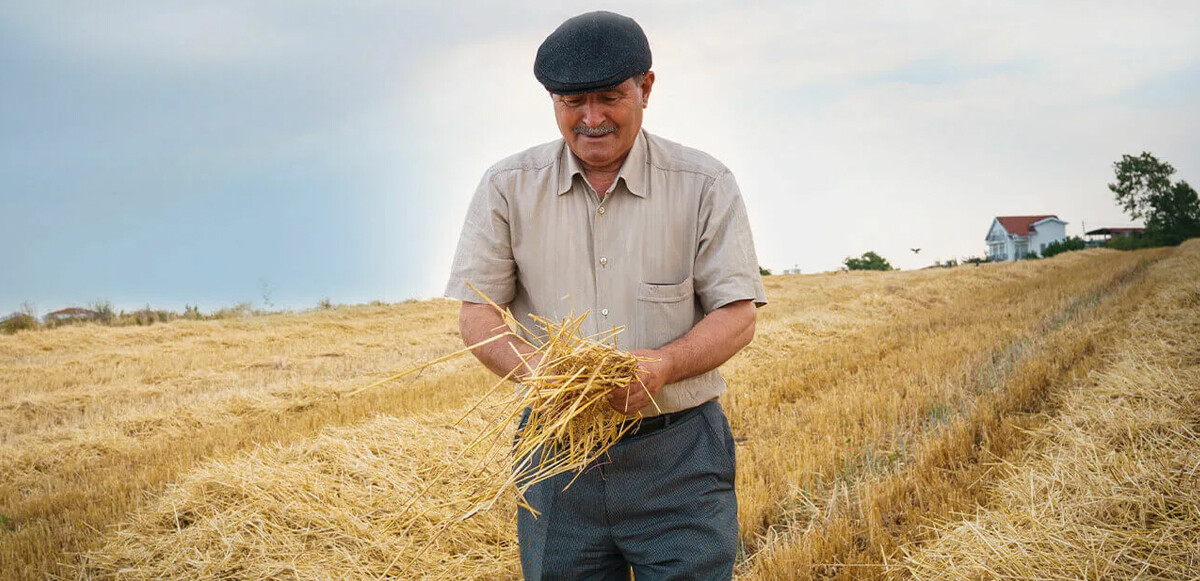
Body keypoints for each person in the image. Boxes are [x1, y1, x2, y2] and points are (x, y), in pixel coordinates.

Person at [444, 10, 766, 580]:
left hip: (679, 455)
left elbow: (738, 313)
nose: (591, 118)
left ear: (645, 88)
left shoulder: (704, 183)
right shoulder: (507, 186)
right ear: (551, 100)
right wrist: (545, 374)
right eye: (572, 101)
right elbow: (478, 314)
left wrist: (663, 365)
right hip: (557, 456)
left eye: (609, 97)